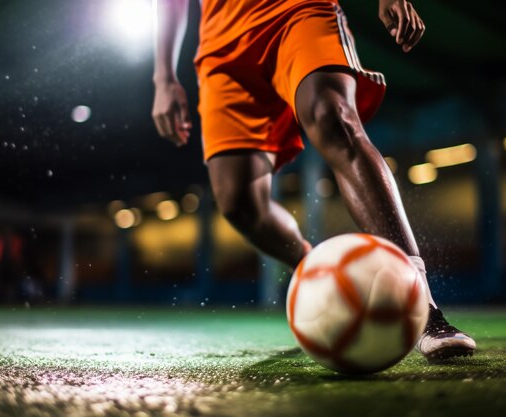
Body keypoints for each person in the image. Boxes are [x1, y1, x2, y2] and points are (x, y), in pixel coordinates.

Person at [151, 0, 476, 360]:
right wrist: (163, 76)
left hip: (297, 11)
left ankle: (419, 302)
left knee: (332, 117)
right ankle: (315, 268)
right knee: (238, 203)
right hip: (222, 47)